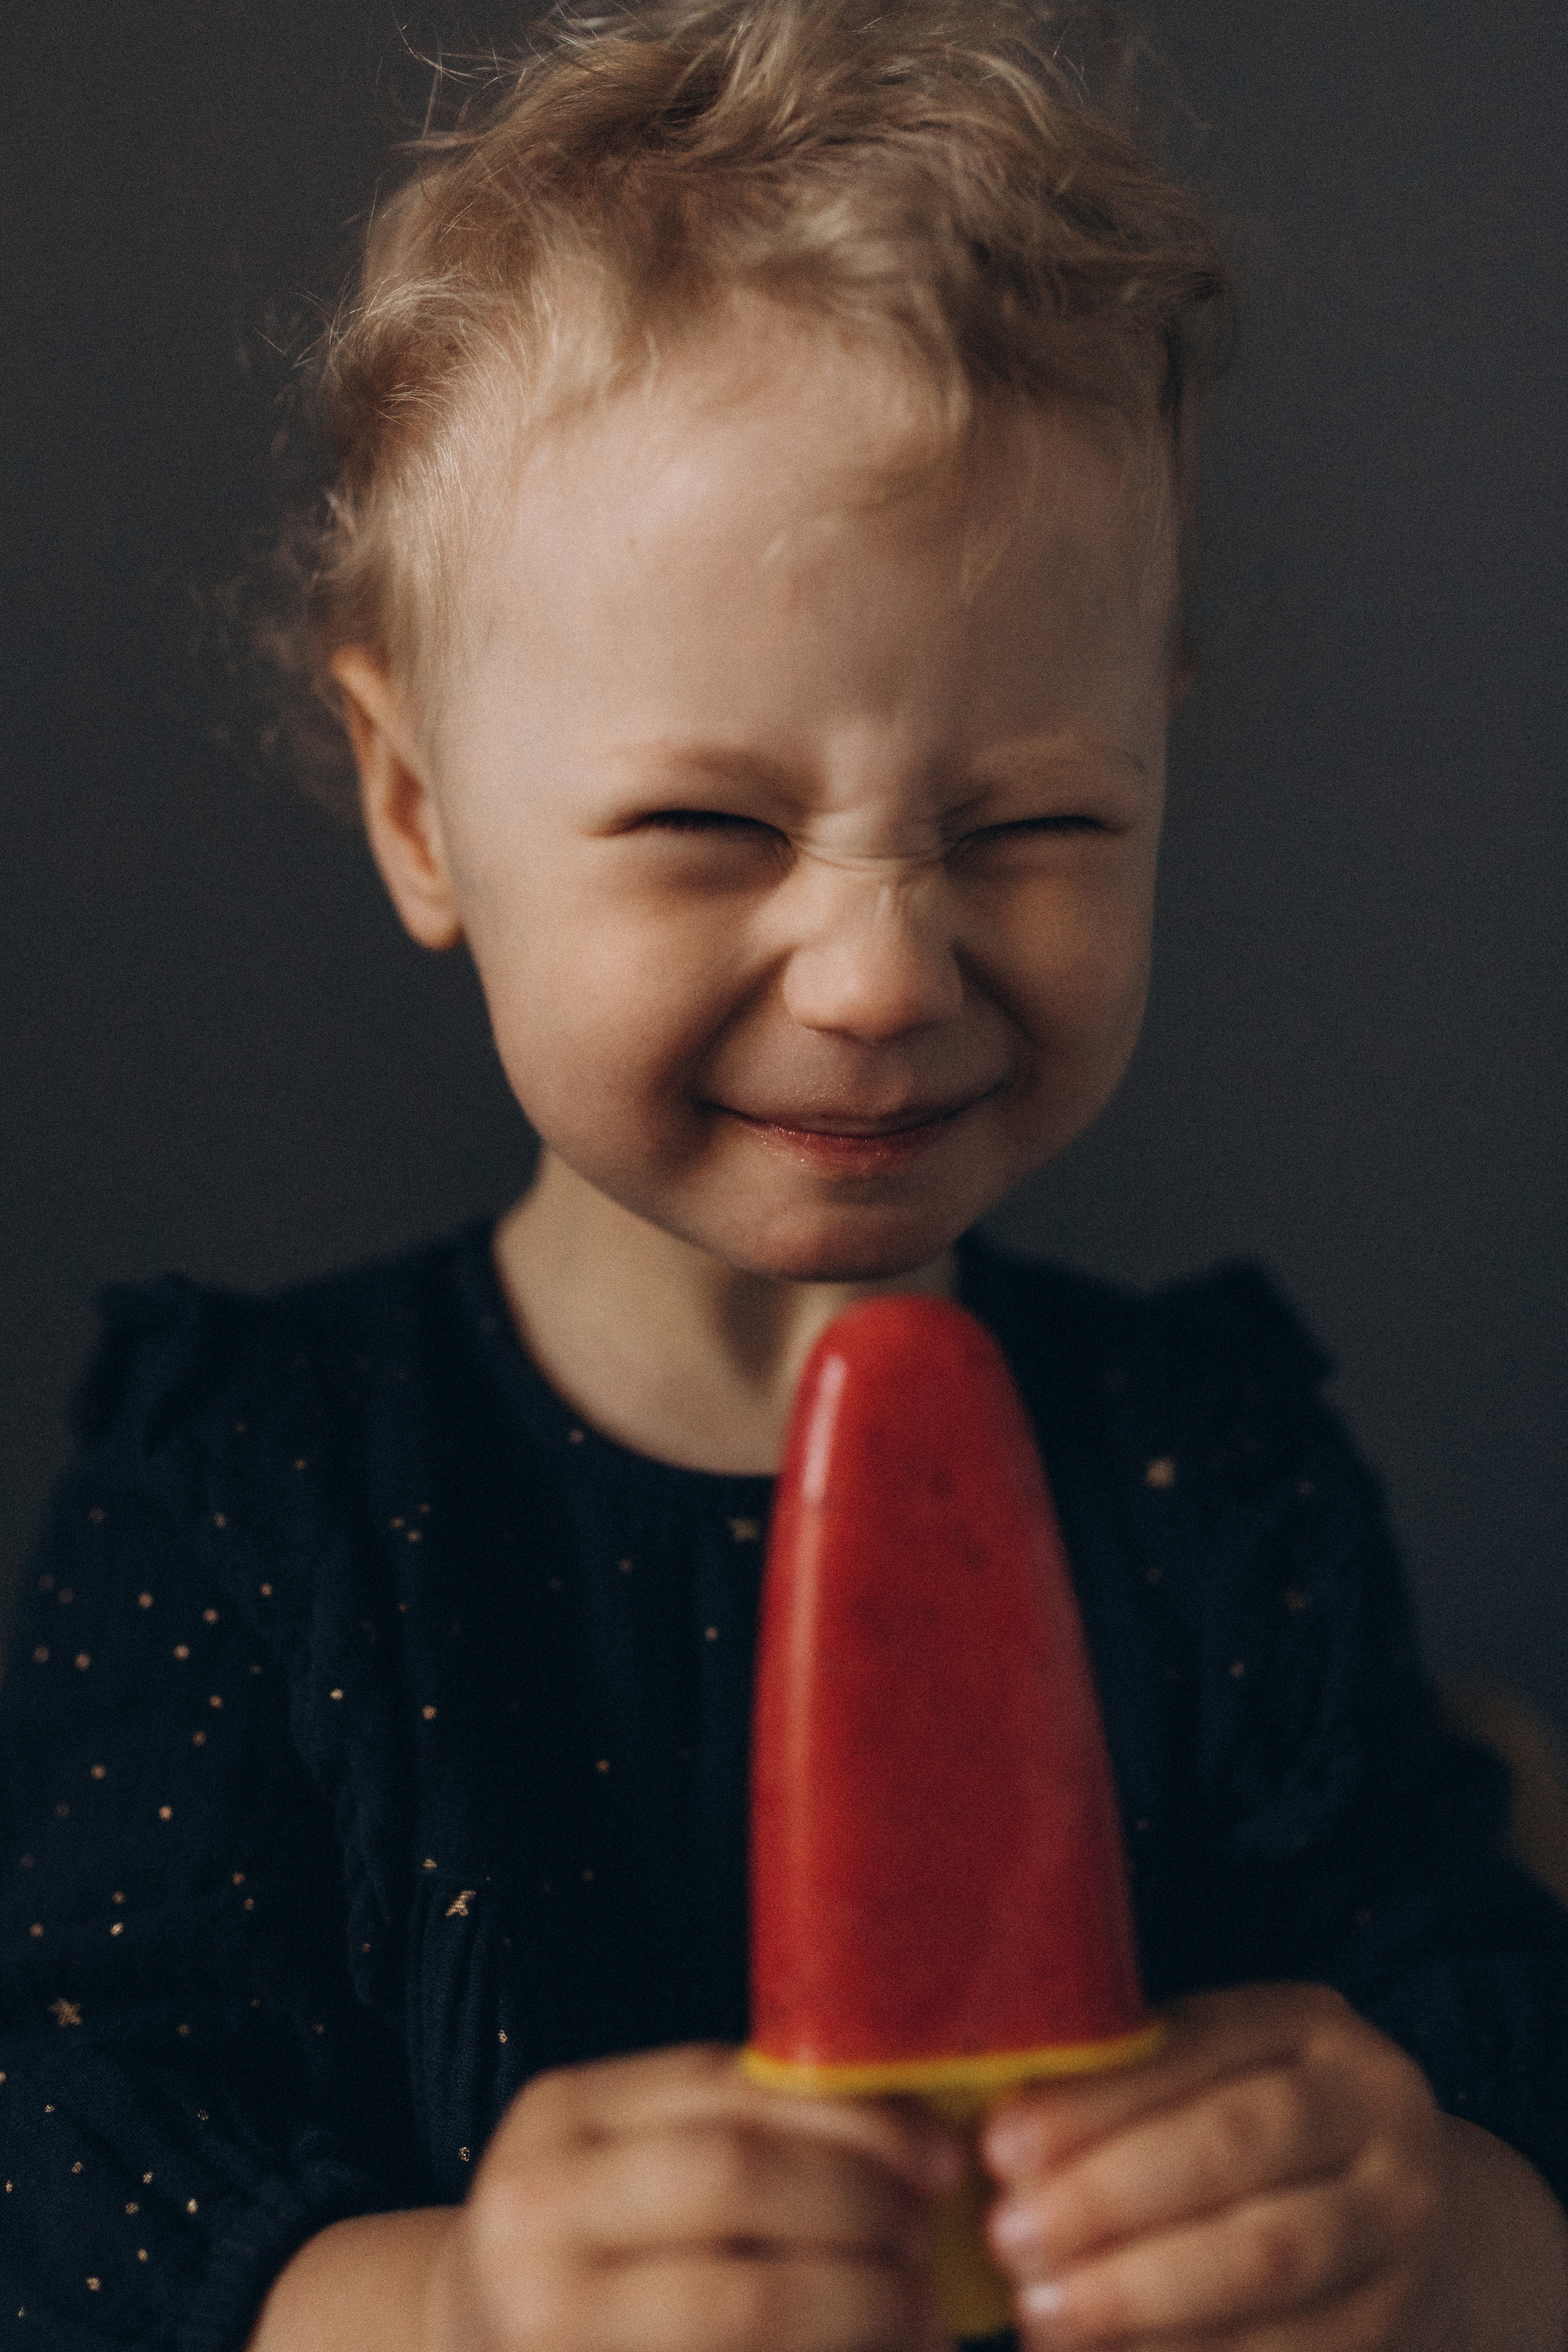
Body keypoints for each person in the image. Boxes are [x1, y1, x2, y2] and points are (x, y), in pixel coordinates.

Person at [2, 1, 1566, 2346]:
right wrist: (450, 2313)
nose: (877, 969)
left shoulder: (1211, 1471)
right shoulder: (250, 1497)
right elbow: (79, 2163)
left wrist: (1425, 2228)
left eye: (1035, 823)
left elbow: (1503, 2083)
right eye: (714, 827)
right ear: (419, 809)